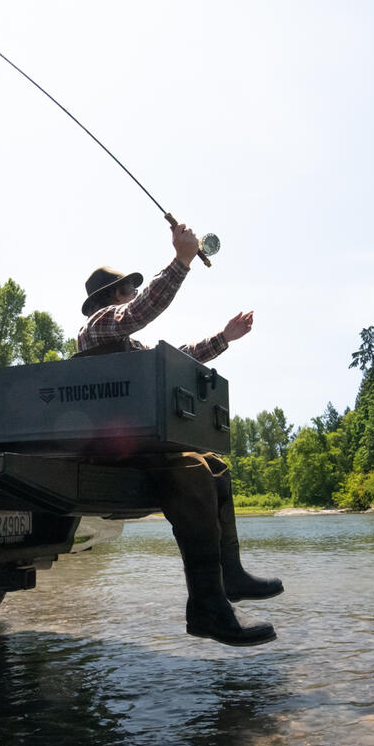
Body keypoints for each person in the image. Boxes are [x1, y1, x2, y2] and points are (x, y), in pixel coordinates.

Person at [78, 222, 283, 647]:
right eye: (126, 288)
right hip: (106, 448)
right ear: (110, 297)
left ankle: (230, 578)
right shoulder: (98, 325)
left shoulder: (127, 342)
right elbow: (141, 311)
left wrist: (224, 338)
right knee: (191, 468)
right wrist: (182, 260)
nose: (132, 293)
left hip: (134, 446)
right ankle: (207, 608)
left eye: (132, 288)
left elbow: (176, 358)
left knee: (214, 466)